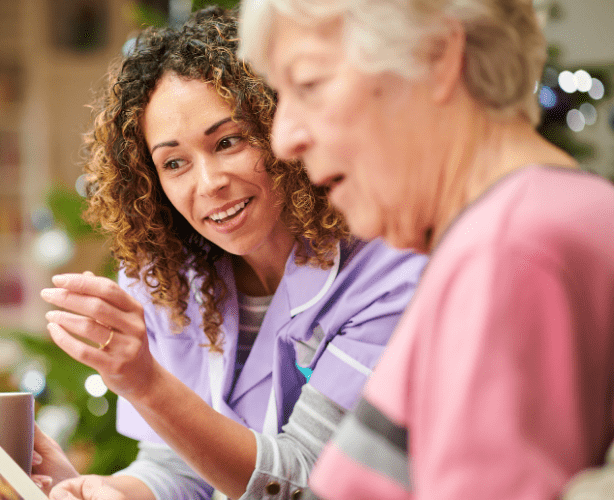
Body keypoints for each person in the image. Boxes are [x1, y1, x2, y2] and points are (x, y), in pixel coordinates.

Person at [34, 7, 427, 500]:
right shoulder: (169, 280)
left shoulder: (388, 272)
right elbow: (177, 467)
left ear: (278, 126)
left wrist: (148, 384)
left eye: (228, 141)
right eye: (174, 162)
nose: (209, 183)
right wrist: (104, 491)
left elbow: (304, 482)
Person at [238, 0, 614, 499]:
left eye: (309, 84)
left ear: (437, 56)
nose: (283, 139)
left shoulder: (509, 248)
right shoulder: (519, 225)